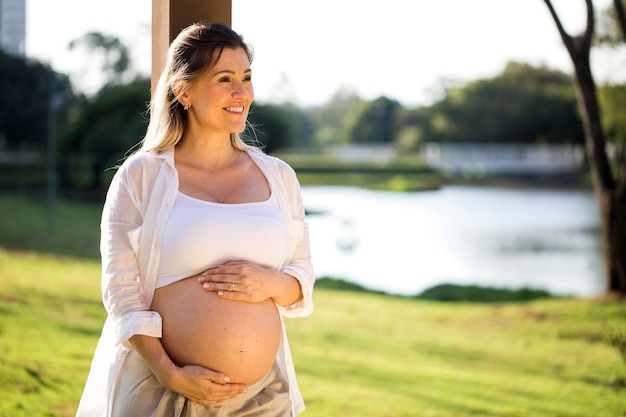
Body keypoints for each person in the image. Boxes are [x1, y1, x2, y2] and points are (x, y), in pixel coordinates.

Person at [76, 22, 315, 417]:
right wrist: (169, 371)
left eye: (247, 77)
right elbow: (121, 292)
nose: (242, 93)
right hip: (161, 390)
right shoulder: (142, 175)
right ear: (182, 91)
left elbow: (301, 279)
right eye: (225, 79)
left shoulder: (279, 176)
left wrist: (270, 283)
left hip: (262, 397)